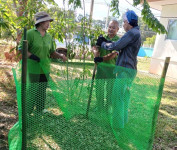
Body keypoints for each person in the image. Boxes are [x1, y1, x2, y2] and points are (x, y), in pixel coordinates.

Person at [96, 10, 141, 130]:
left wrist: (103, 44)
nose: (123, 25)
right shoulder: (136, 33)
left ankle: (117, 126)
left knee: (117, 97)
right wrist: (106, 42)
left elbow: (116, 46)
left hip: (125, 70)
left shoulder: (132, 33)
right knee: (124, 96)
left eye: (124, 22)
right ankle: (123, 121)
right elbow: (120, 45)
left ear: (128, 22)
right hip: (130, 70)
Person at [18, 11, 67, 116]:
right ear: (40, 22)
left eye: (49, 21)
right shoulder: (30, 33)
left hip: (45, 68)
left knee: (42, 89)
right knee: (32, 90)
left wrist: (61, 56)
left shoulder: (49, 37)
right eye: (46, 21)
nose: (48, 23)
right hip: (32, 68)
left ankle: (40, 109)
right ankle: (27, 112)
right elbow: (21, 49)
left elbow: (52, 52)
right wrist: (31, 55)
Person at [92, 20, 119, 113]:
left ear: (118, 29)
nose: (111, 29)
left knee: (110, 89)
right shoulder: (103, 37)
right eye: (110, 27)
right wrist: (95, 52)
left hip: (111, 68)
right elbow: (95, 46)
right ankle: (99, 106)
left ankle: (108, 108)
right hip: (101, 68)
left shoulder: (118, 41)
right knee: (99, 87)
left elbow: (113, 54)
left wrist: (101, 59)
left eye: (113, 27)